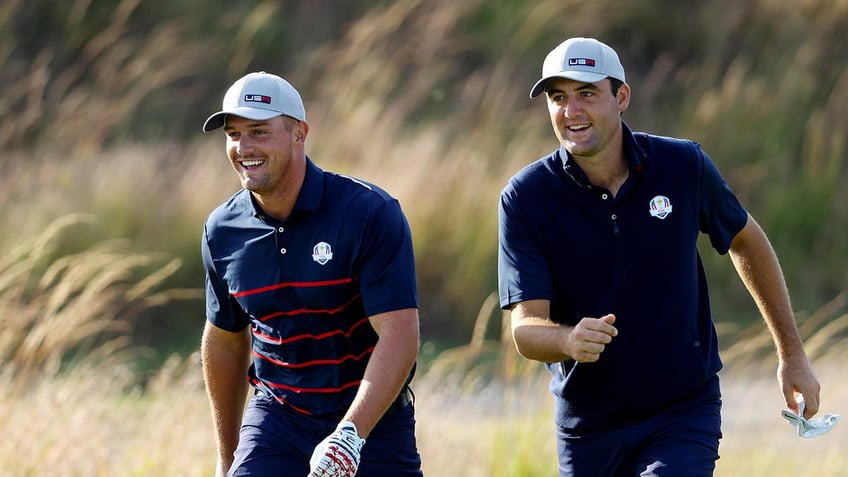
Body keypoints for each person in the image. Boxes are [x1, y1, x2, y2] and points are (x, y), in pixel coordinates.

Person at [497, 37, 823, 476]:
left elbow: (747, 240)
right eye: (559, 98)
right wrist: (568, 339)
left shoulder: (682, 166)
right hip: (588, 427)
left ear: (622, 97)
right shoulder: (526, 197)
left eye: (587, 94)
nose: (571, 111)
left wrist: (792, 355)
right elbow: (525, 329)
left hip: (682, 411)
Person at [200, 71, 423, 477]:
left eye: (259, 132)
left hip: (372, 419)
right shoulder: (221, 230)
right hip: (278, 419)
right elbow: (225, 342)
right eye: (233, 134)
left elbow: (399, 332)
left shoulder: (368, 212)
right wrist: (226, 458)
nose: (243, 147)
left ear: (299, 133)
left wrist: (350, 436)